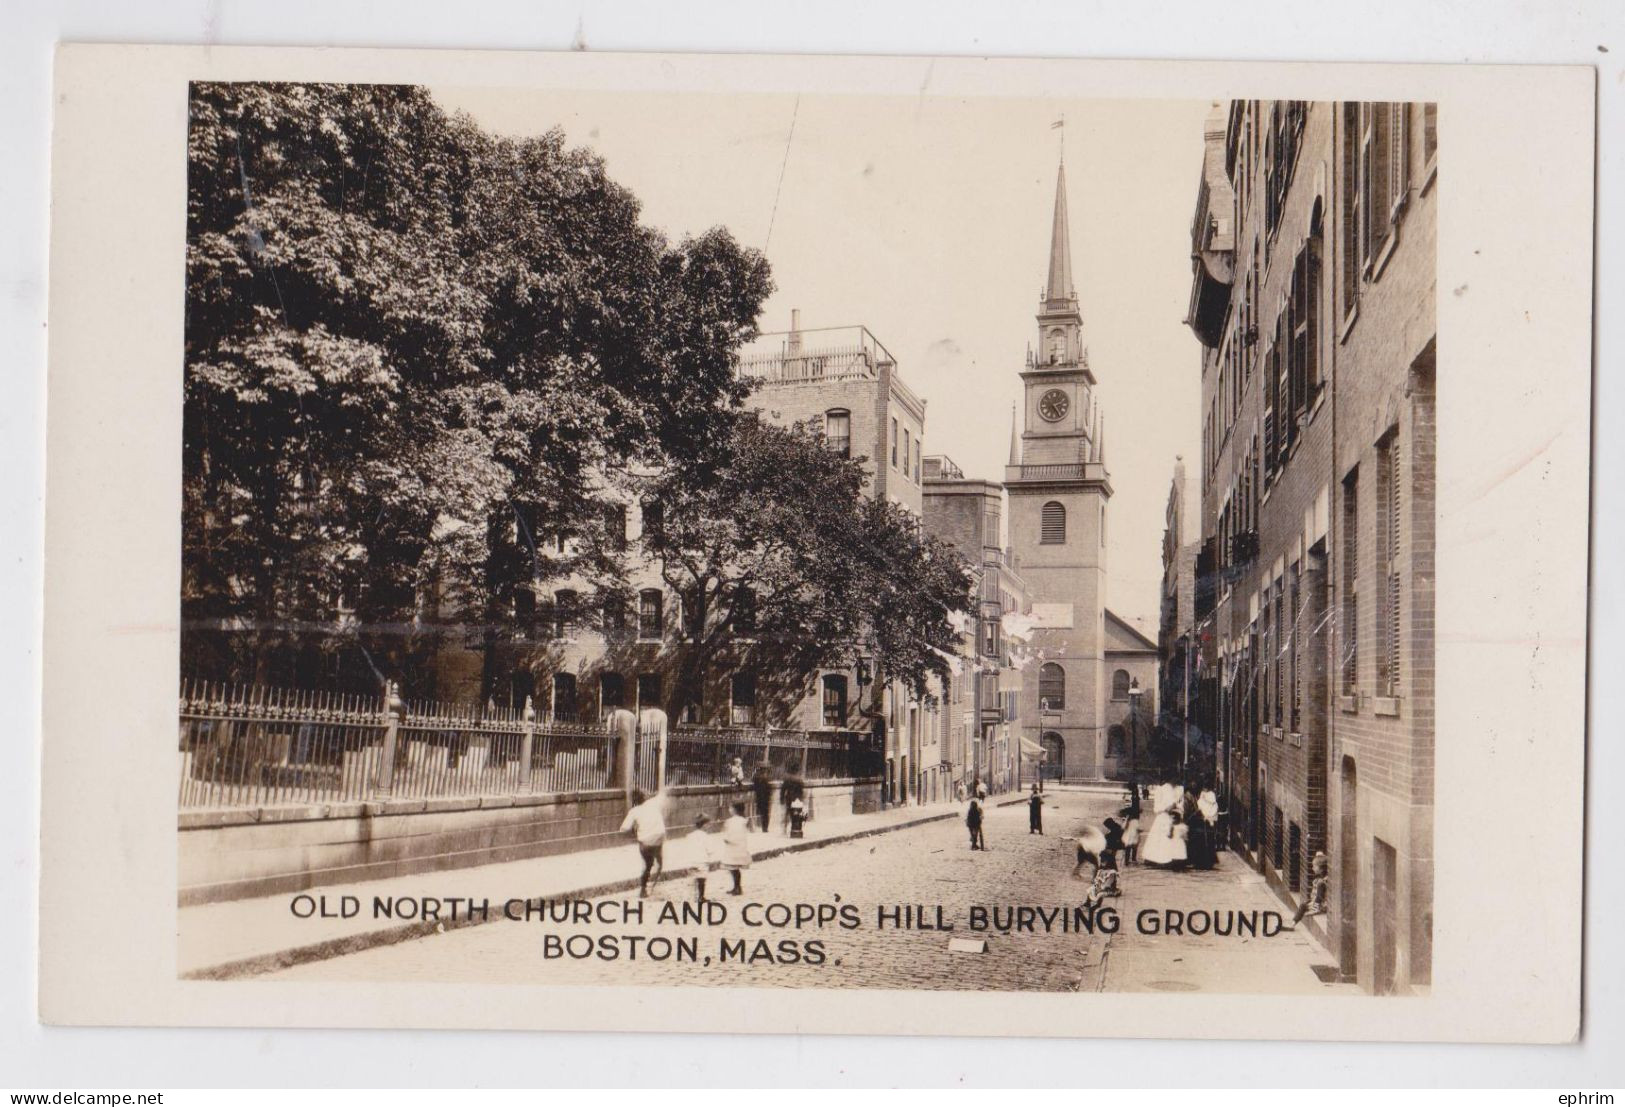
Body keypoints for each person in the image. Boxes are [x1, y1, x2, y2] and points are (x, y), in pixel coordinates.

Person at [620, 788, 667, 898]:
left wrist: (634, 832)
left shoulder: (634, 811)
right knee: (659, 864)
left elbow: (624, 828)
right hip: (658, 839)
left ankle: (643, 888)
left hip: (645, 842)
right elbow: (662, 794)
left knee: (647, 865)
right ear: (645, 797)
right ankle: (652, 887)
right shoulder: (654, 804)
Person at [686, 813, 720, 904]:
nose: (709, 826)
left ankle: (694, 896)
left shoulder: (690, 836)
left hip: (691, 861)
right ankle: (701, 897)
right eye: (709, 824)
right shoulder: (706, 837)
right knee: (702, 879)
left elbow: (687, 848)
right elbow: (710, 850)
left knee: (695, 878)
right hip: (702, 861)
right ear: (704, 825)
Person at [1290, 851, 1330, 927]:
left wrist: (1315, 906)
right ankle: (1293, 923)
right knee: (1303, 905)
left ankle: (1294, 923)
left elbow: (1319, 897)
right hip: (1316, 902)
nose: (1312, 868)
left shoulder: (1322, 882)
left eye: (1314, 866)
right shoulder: (1319, 879)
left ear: (1321, 869)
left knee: (1303, 906)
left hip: (1321, 905)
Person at [721, 801, 752, 895]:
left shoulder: (730, 821)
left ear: (734, 810)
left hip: (732, 847)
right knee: (735, 869)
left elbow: (729, 833)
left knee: (733, 868)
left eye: (730, 808)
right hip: (740, 847)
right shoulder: (744, 820)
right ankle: (737, 887)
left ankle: (737, 887)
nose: (729, 810)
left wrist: (726, 839)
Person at [780, 763, 806, 834]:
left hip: (789, 798)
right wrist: (802, 800)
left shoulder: (787, 778)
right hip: (797, 800)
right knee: (796, 814)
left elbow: (783, 789)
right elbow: (801, 791)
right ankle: (794, 828)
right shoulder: (799, 779)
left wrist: (781, 799)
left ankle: (784, 828)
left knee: (788, 812)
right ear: (797, 770)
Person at [751, 763, 774, 833]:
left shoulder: (756, 776)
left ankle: (755, 827)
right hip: (765, 798)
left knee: (756, 812)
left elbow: (753, 781)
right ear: (764, 770)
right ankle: (765, 828)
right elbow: (769, 789)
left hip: (758, 797)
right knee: (765, 814)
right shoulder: (765, 778)